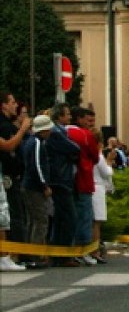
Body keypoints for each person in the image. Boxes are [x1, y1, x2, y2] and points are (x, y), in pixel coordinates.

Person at [45, 102, 81, 267]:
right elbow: (74, 148)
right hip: (61, 179)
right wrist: (72, 151)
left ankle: (58, 254)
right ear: (59, 116)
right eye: (67, 114)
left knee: (60, 218)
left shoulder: (60, 131)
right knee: (69, 217)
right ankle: (64, 254)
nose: (70, 117)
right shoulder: (56, 133)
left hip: (61, 178)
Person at [66, 106, 100, 266]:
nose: (90, 124)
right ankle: (84, 250)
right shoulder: (85, 135)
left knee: (70, 216)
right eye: (87, 120)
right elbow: (95, 156)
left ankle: (71, 249)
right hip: (84, 178)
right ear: (79, 119)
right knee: (85, 216)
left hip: (67, 180)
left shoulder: (62, 132)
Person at [19, 114, 54, 269]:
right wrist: (44, 185)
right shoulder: (38, 143)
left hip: (28, 185)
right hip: (34, 187)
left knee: (32, 220)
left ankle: (29, 254)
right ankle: (36, 255)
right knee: (41, 220)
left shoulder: (29, 141)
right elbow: (37, 165)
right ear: (44, 130)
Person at [0, 92, 31, 250]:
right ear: (4, 105)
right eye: (12, 102)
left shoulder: (8, 124)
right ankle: (17, 253)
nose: (16, 105)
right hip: (7, 178)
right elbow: (8, 146)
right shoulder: (3, 126)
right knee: (12, 216)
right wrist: (23, 129)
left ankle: (14, 253)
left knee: (13, 215)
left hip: (14, 176)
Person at [92, 129, 115, 263]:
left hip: (92, 186)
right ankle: (95, 250)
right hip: (98, 187)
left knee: (92, 221)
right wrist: (109, 161)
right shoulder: (98, 155)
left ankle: (93, 249)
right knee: (97, 221)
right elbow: (106, 172)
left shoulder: (89, 153)